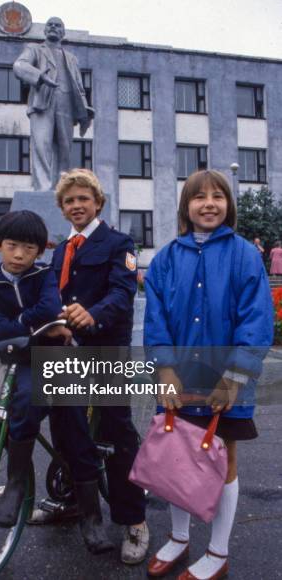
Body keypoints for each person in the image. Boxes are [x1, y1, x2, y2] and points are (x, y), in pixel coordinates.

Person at [144, 170, 273, 579]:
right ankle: (180, 539)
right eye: (199, 197)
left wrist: (234, 377)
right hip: (178, 378)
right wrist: (164, 368)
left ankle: (218, 552)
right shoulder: (166, 258)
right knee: (175, 458)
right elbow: (156, 318)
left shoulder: (244, 254)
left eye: (218, 196)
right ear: (186, 207)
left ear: (228, 205)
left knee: (224, 460)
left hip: (225, 379)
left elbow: (256, 319)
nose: (209, 203)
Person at [29, 169, 149, 564]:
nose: (77, 205)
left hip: (105, 347)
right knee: (66, 427)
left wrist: (90, 315)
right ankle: (73, 502)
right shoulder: (63, 249)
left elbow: (122, 291)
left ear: (98, 202)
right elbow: (53, 294)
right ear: (62, 209)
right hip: (68, 350)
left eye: (84, 198)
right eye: (69, 201)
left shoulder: (119, 242)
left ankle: (133, 519)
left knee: (117, 431)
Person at [0, 210, 111, 552]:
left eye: (28, 247)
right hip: (22, 360)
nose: (20, 254)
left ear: (40, 250)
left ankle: (91, 518)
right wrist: (35, 324)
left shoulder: (44, 274)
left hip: (58, 357)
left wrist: (21, 323)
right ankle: (16, 484)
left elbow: (50, 308)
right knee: (23, 402)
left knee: (75, 432)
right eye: (12, 246)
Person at [13, 17, 94, 191]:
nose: (53, 27)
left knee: (64, 148)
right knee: (42, 145)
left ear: (63, 33)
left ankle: (61, 189)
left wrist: (84, 111)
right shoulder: (35, 49)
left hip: (66, 104)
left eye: (57, 25)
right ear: (44, 30)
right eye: (50, 24)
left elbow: (79, 87)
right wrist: (39, 77)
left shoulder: (71, 58)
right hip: (43, 102)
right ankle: (43, 188)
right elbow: (19, 66)